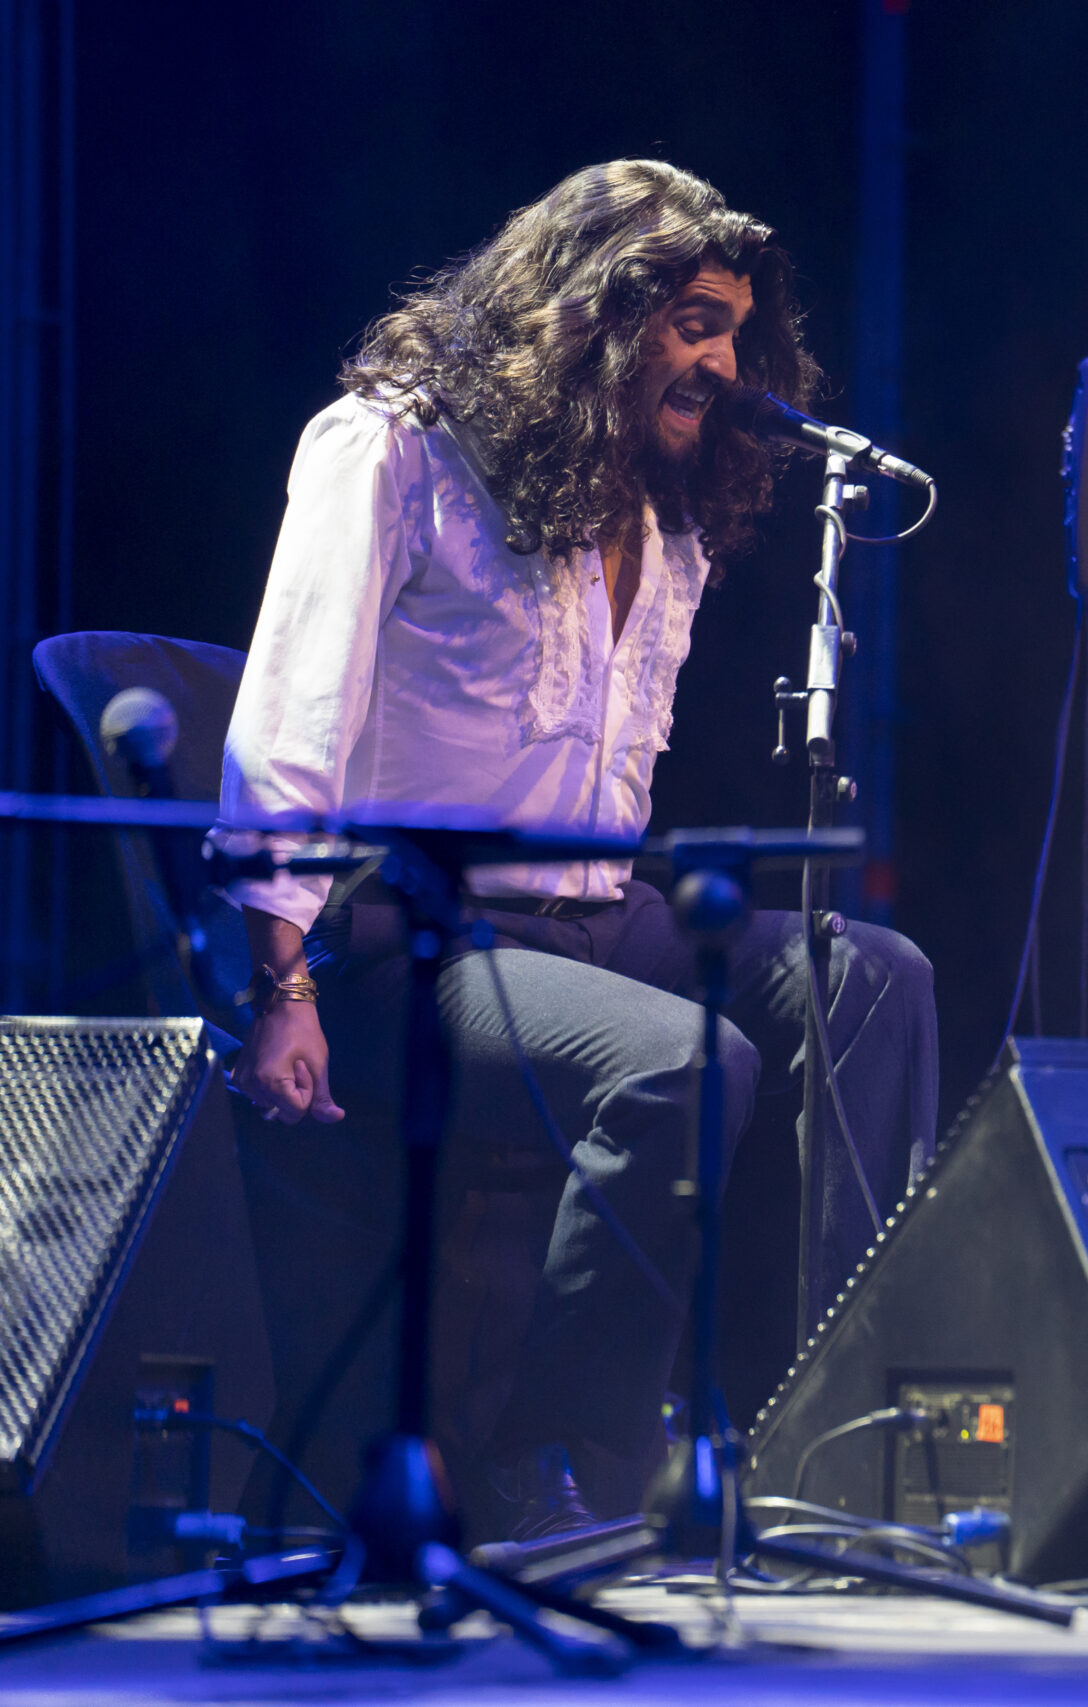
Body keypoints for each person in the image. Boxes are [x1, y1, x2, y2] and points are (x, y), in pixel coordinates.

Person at [218, 161, 937, 1539]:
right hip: (406, 938)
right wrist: (282, 981)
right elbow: (285, 721)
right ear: (584, 313)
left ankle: (841, 1429)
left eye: (733, 327)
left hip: (590, 918)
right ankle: (553, 1454)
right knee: (684, 1059)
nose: (722, 361)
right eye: (689, 321)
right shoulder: (395, 449)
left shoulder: (661, 507)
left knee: (869, 978)